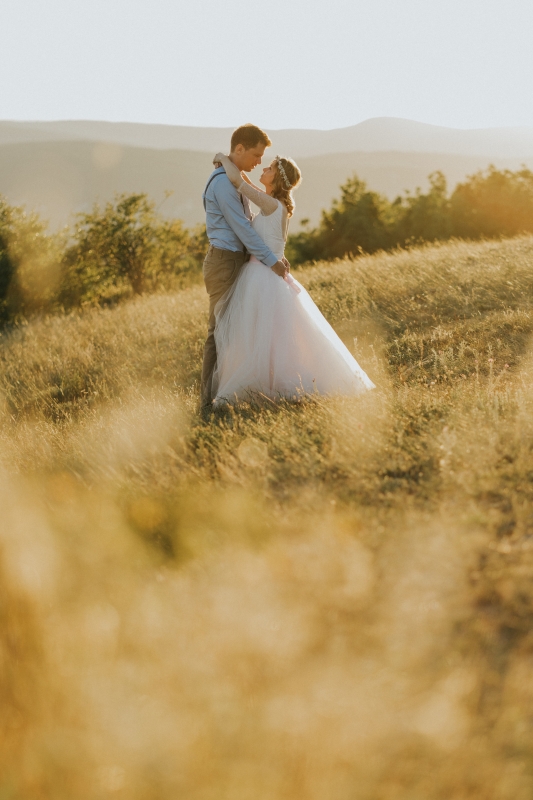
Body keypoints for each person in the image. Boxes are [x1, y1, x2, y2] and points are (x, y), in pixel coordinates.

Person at [209, 151, 375, 405]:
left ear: (277, 179)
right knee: (268, 335)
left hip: (261, 275)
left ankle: (267, 386)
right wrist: (237, 168)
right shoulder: (274, 203)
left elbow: (239, 183)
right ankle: (266, 383)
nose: (264, 170)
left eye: (270, 169)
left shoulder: (271, 204)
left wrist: (223, 158)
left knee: (262, 335)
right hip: (266, 273)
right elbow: (247, 185)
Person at [201, 123, 289, 408]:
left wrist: (274, 252)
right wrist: (271, 260)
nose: (259, 162)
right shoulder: (223, 184)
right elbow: (243, 229)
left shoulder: (233, 178)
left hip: (237, 261)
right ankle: (207, 403)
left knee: (236, 331)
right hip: (225, 261)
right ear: (239, 149)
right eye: (256, 155)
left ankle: (235, 391)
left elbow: (251, 221)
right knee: (218, 332)